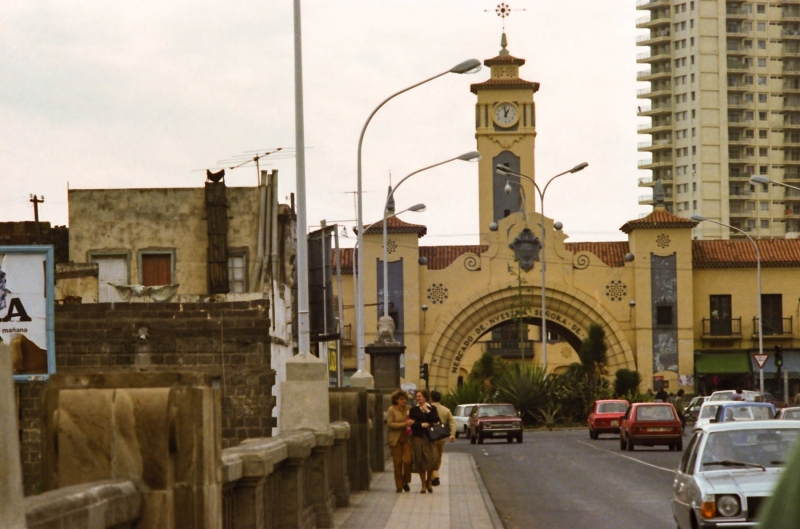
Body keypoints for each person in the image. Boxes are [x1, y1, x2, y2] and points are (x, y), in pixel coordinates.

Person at [409, 388, 440, 494]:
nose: (418, 398)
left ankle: (428, 481)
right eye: (417, 396)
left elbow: (436, 420)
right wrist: (421, 425)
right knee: (420, 460)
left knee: (432, 458)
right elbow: (411, 423)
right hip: (418, 436)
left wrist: (427, 410)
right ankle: (423, 484)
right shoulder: (413, 410)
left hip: (430, 436)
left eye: (420, 396)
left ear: (425, 397)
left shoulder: (432, 408)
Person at [387, 389, 413, 493]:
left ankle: (405, 480)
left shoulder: (409, 408)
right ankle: (399, 485)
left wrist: (411, 422)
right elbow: (390, 424)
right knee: (397, 462)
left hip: (407, 438)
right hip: (396, 438)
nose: (403, 401)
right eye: (401, 399)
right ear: (396, 400)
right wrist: (403, 424)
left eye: (405, 399)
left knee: (407, 461)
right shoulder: (392, 409)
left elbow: (413, 419)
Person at [429, 390, 456, 487]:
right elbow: (452, 422)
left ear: (431, 398)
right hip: (441, 436)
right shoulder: (446, 410)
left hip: (430, 436)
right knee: (438, 456)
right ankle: (435, 473)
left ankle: (434, 475)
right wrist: (452, 434)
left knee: (430, 456)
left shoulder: (427, 408)